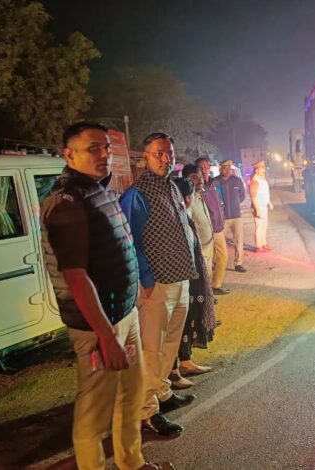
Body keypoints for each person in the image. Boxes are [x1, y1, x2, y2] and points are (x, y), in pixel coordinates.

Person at [41, 122, 171, 470]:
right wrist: (105, 335)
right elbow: (75, 276)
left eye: (106, 148)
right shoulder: (68, 202)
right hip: (97, 326)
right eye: (93, 148)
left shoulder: (99, 190)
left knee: (130, 396)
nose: (104, 155)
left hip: (123, 315)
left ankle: (132, 462)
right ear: (69, 154)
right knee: (94, 413)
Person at [119, 133, 196, 437]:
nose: (166, 159)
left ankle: (162, 392)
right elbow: (129, 241)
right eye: (159, 154)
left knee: (170, 345)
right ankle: (146, 411)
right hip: (157, 286)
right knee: (151, 350)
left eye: (170, 153)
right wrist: (146, 280)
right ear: (146, 157)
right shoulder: (136, 194)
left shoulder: (172, 187)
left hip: (179, 280)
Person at [168, 178, 215, 389]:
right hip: (181, 280)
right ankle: (172, 372)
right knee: (176, 327)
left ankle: (185, 362)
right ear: (186, 197)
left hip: (191, 279)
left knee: (188, 322)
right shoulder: (175, 218)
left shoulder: (183, 215)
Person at [195, 157, 230, 295]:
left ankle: (215, 285)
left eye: (205, 166)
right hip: (207, 230)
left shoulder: (215, 184)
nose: (204, 169)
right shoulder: (197, 187)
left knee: (222, 257)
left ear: (209, 167)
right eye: (200, 167)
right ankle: (206, 291)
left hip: (218, 228)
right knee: (207, 262)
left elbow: (220, 202)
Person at [213, 160, 247, 273]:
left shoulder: (237, 181)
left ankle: (238, 263)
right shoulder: (215, 182)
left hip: (236, 216)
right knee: (218, 241)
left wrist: (235, 203)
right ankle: (217, 262)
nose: (228, 170)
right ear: (220, 169)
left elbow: (242, 195)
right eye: (225, 168)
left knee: (238, 240)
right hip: (222, 217)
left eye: (229, 168)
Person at [248, 160, 273, 253]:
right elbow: (253, 196)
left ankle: (264, 244)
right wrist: (257, 209)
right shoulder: (254, 182)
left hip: (264, 207)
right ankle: (258, 246)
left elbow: (265, 193)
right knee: (259, 227)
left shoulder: (262, 180)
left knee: (264, 226)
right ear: (256, 170)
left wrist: (269, 202)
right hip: (258, 207)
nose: (264, 170)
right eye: (262, 168)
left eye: (264, 168)